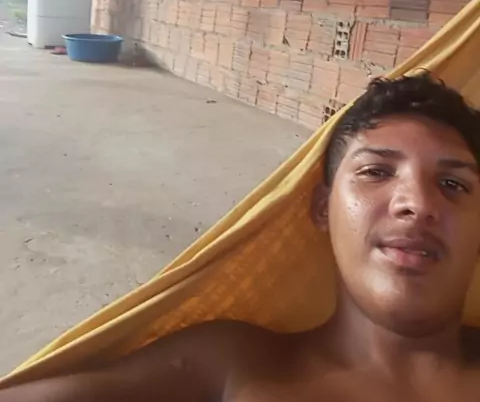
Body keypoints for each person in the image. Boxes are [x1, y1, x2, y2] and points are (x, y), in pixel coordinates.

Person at [2, 72, 480, 401]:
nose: (417, 203)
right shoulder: (232, 365)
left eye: (453, 184)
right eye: (376, 171)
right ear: (322, 209)